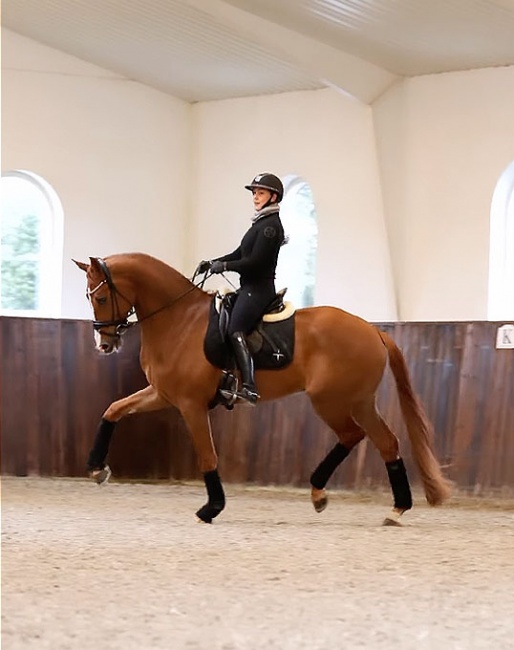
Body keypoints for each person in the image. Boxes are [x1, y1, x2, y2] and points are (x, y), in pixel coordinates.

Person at [199, 173, 285, 405]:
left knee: (235, 328)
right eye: (255, 193)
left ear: (273, 196)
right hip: (247, 288)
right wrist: (212, 262)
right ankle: (226, 376)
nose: (256, 197)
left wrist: (225, 266)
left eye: (261, 193)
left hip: (259, 290)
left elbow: (255, 262)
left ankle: (249, 386)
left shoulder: (270, 227)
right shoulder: (259, 223)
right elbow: (240, 254)